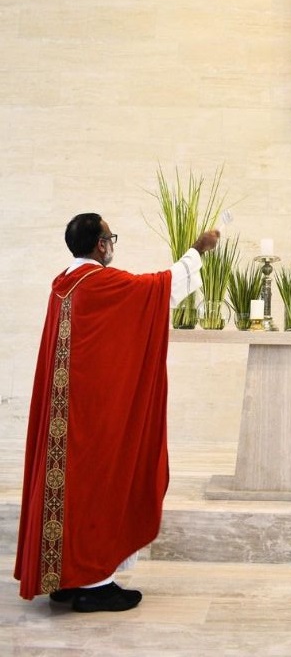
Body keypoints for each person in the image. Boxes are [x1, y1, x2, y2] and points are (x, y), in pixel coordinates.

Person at [14, 212, 219, 612]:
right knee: (96, 484)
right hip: (92, 413)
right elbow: (158, 289)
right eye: (110, 237)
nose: (112, 244)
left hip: (65, 412)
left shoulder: (63, 284)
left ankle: (65, 576)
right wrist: (197, 250)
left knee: (68, 486)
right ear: (98, 245)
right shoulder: (100, 283)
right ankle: (93, 583)